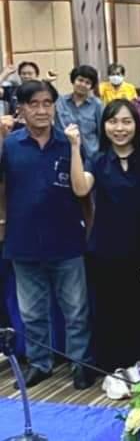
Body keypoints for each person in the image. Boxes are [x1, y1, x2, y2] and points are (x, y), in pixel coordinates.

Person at [0, 80, 93, 389]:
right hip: (23, 241)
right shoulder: (10, 144)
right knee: (32, 313)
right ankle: (40, 363)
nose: (41, 110)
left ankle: (81, 363)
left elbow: (84, 191)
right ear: (21, 109)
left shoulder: (69, 142)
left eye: (47, 103)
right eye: (34, 104)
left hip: (66, 239)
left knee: (76, 311)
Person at [66, 100, 140, 390]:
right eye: (113, 122)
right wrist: (75, 148)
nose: (120, 128)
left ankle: (133, 364)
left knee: (136, 310)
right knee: (108, 311)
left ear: (136, 126)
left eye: (126, 122)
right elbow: (80, 188)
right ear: (104, 125)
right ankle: (112, 369)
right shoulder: (97, 159)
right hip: (104, 249)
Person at [55, 65, 104, 160]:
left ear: (91, 86)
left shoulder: (97, 105)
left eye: (87, 82)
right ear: (73, 80)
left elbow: (101, 132)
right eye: (80, 80)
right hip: (65, 154)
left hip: (91, 156)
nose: (83, 84)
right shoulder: (61, 102)